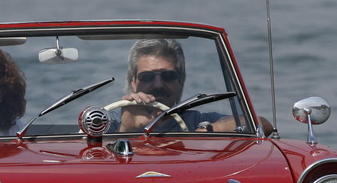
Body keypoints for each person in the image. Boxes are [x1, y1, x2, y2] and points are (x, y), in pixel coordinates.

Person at [109, 38, 262, 134]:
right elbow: (96, 161)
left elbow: (260, 124)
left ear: (180, 80)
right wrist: (126, 129)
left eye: (168, 76)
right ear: (133, 83)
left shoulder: (196, 121)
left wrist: (210, 130)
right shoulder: (108, 123)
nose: (158, 84)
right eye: (147, 77)